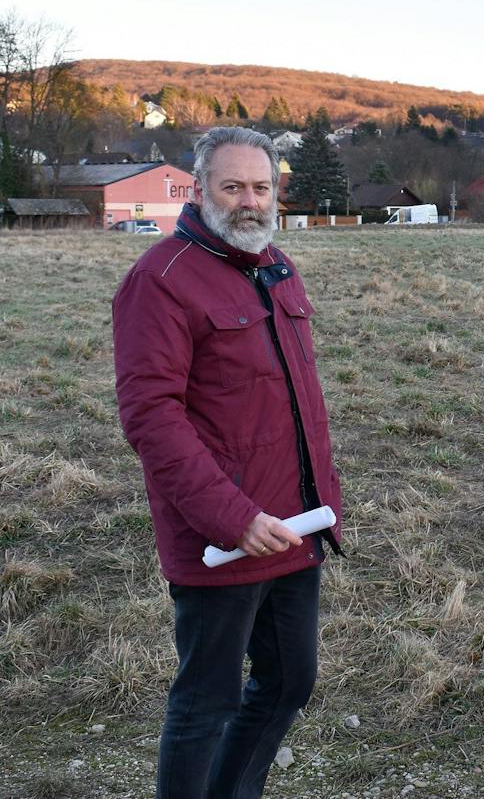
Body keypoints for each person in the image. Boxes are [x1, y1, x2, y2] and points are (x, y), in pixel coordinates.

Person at [113, 125, 343, 799]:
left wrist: (319, 500)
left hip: (295, 528)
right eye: (232, 186)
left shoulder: (279, 269)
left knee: (289, 680)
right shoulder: (160, 279)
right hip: (222, 539)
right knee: (206, 702)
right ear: (199, 188)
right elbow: (151, 417)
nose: (249, 200)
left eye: (261, 186)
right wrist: (233, 517)